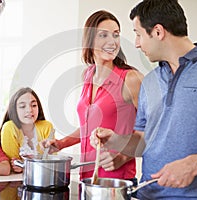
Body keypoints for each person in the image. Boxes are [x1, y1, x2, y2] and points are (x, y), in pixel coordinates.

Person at [90, 0, 197, 199]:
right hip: (146, 195)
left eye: (138, 34)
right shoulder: (150, 81)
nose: (136, 43)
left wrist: (195, 164)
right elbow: (143, 141)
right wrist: (116, 140)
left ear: (158, 32)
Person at [42, 10, 143, 182]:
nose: (112, 42)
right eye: (103, 35)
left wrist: (122, 157)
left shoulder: (131, 79)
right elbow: (89, 125)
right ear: (90, 40)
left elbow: (151, 132)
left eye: (116, 35)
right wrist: (61, 143)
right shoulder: (88, 75)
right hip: (87, 178)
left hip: (117, 181)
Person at [0, 87, 54, 173]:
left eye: (34, 105)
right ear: (14, 110)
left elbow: (51, 161)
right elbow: (13, 165)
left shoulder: (46, 126)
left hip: (43, 178)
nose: (29, 110)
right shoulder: (9, 127)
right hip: (15, 180)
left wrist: (24, 165)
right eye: (22, 106)